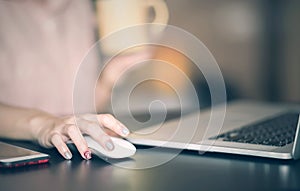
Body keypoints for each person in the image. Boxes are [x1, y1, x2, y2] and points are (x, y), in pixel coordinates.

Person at [0, 0, 149, 160]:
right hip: (19, 156)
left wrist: (109, 78)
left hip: (77, 153)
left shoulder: (82, 6)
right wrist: (45, 124)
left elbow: (80, 110)